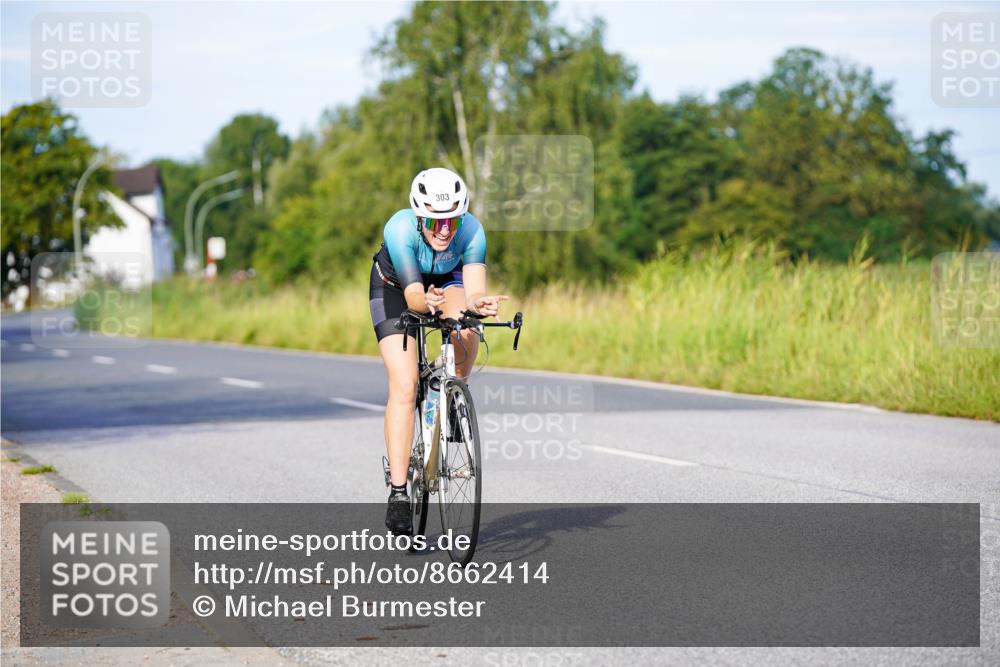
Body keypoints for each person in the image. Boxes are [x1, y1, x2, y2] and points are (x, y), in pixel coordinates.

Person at [369, 167, 507, 535]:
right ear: (419, 216)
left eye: (453, 220)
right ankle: (399, 492)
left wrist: (481, 304)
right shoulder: (399, 229)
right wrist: (422, 302)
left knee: (466, 325)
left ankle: (449, 394)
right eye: (435, 220)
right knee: (404, 384)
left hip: (447, 282)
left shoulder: (473, 231)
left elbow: (473, 291)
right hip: (398, 287)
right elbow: (415, 295)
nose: (445, 229)